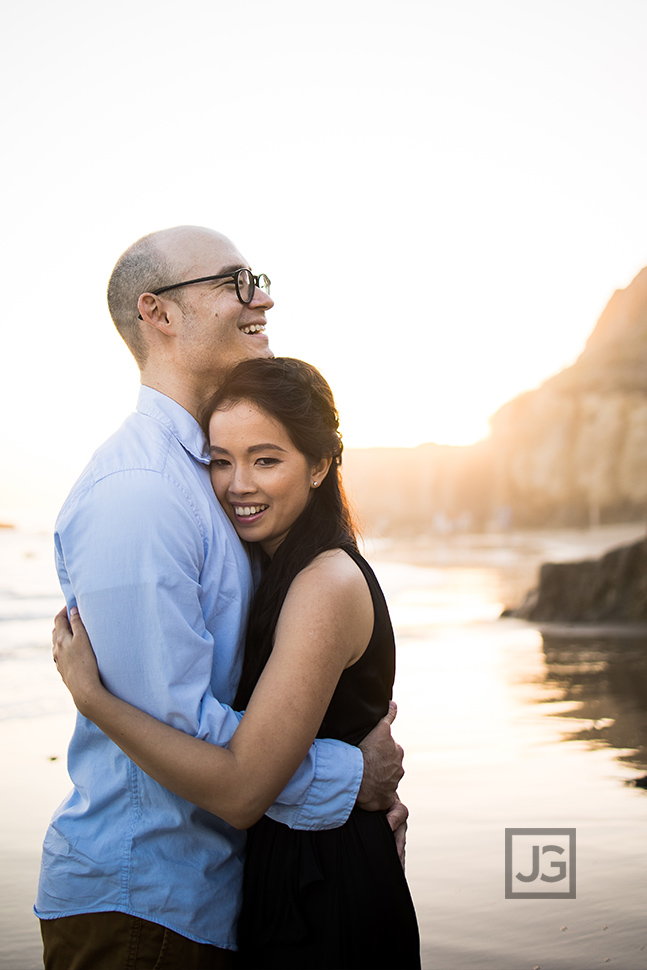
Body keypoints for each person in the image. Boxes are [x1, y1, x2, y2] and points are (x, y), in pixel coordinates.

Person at [36, 227, 406, 970]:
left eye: (257, 279)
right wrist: (347, 778)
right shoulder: (138, 494)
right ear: (159, 314)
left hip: (211, 898)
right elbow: (191, 734)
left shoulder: (207, 479)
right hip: (142, 902)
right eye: (234, 282)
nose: (261, 296)